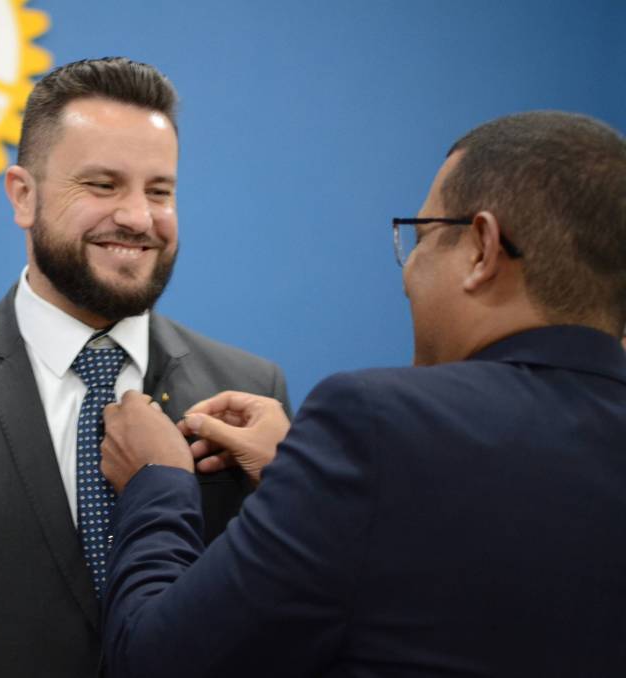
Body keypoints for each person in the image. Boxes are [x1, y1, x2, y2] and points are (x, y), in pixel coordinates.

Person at [100, 111, 626, 677]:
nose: (408, 272)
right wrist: (300, 477)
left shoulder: (374, 422)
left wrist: (156, 481)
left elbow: (155, 661)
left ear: (482, 248)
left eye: (421, 238)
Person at [0, 57, 290, 677]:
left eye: (159, 191)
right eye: (102, 185)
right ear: (23, 195)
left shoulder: (252, 391)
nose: (138, 218)